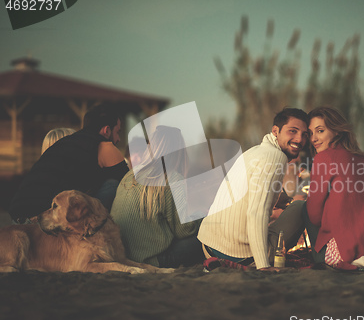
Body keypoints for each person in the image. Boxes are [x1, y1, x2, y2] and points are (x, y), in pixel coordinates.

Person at [197, 108, 309, 271]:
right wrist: (263, 265)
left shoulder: (255, 151)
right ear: (275, 131)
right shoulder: (275, 158)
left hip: (208, 247)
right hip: (240, 255)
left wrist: (283, 200)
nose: (299, 139)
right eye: (293, 131)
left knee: (290, 206)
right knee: (301, 207)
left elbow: (254, 192)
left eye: (305, 134)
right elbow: (256, 213)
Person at [303, 106, 364, 270]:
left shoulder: (323, 158)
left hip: (343, 253)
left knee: (304, 207)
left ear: (337, 131)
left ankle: (318, 257)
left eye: (320, 131)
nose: (314, 139)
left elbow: (314, 216)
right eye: (310, 133)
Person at [9, 106, 129, 223]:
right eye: (118, 132)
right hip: (44, 220)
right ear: (107, 130)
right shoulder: (104, 145)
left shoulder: (63, 143)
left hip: (17, 218)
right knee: (113, 185)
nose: (118, 139)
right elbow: (131, 184)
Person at [111, 126, 204, 268]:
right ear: (178, 152)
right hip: (150, 260)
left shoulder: (131, 174)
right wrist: (202, 219)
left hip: (123, 256)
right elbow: (184, 231)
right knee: (204, 237)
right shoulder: (172, 179)